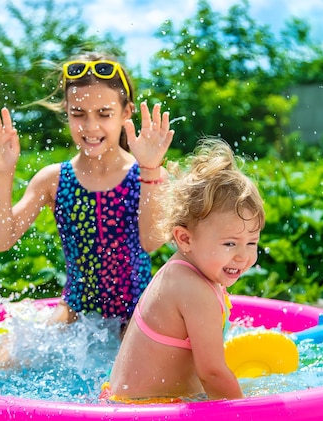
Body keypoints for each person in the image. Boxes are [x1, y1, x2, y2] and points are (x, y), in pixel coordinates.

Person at [0, 52, 175, 327]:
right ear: (66, 111)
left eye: (104, 114)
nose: (91, 127)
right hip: (74, 309)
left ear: (126, 112)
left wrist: (151, 169)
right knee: (7, 360)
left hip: (137, 312)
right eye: (78, 114)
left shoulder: (146, 175)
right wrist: (3, 170)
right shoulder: (54, 179)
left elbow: (151, 242)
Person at [104, 137, 265, 403]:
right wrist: (250, 413)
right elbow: (212, 374)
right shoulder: (193, 289)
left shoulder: (181, 273)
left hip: (127, 401)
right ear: (185, 238)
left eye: (252, 242)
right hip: (147, 412)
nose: (243, 255)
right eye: (229, 243)